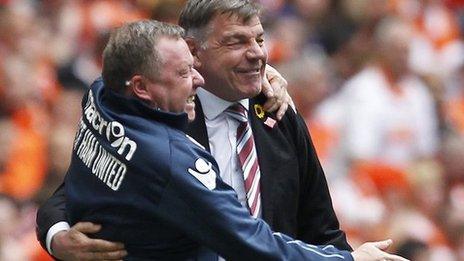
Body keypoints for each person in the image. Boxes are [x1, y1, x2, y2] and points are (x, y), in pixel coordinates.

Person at [36, 1, 402, 260]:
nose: (258, 54)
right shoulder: (157, 122)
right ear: (192, 51)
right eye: (236, 42)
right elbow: (76, 189)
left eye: (259, 39)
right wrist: (57, 239)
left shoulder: (278, 114)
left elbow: (319, 228)